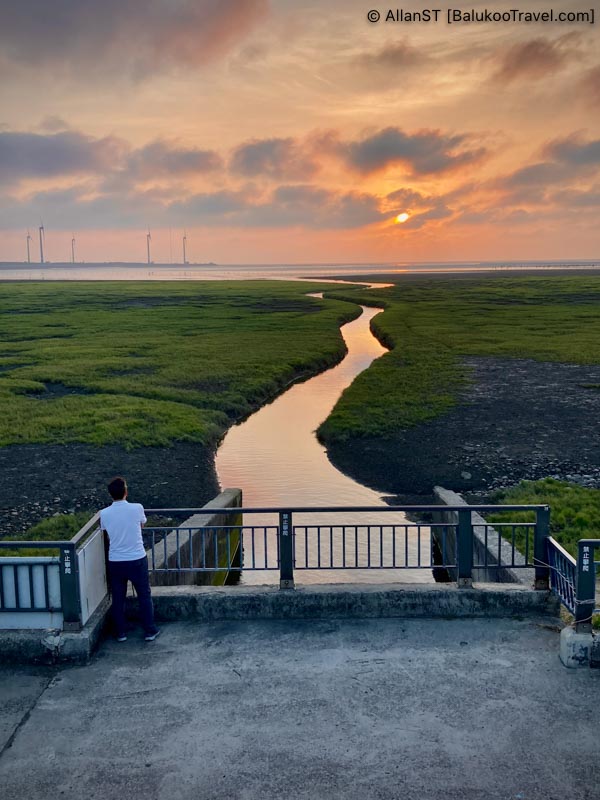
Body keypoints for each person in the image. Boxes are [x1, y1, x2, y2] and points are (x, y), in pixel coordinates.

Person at [100, 476, 160, 642]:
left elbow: (105, 531)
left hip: (115, 560)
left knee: (118, 597)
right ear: (126, 492)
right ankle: (150, 630)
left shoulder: (104, 514)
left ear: (110, 494)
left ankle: (120, 633)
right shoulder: (137, 508)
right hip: (137, 558)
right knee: (144, 595)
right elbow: (141, 525)